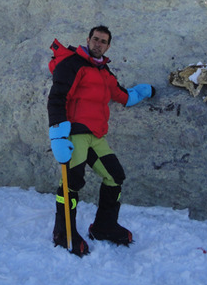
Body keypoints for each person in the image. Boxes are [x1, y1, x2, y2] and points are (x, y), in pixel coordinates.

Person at [47, 25, 155, 256]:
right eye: (95, 39)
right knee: (71, 183)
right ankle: (63, 232)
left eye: (103, 41)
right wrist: (57, 133)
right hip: (74, 133)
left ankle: (104, 226)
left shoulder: (104, 72)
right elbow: (57, 97)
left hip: (96, 136)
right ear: (88, 40)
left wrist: (140, 93)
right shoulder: (72, 64)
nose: (98, 44)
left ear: (108, 46)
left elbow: (121, 95)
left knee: (115, 176)